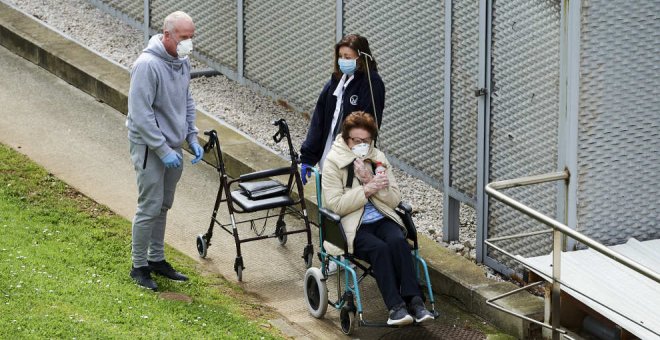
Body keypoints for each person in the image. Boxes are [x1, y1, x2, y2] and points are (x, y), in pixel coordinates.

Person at [321, 111, 434, 326]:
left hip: (382, 218)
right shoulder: (334, 162)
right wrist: (366, 190)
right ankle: (396, 308)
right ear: (347, 139)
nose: (362, 144)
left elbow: (394, 199)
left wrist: (370, 179)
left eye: (366, 140)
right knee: (379, 249)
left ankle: (416, 302)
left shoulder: (378, 158)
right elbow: (335, 205)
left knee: (398, 241)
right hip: (352, 225)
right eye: (357, 140)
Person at [125, 11, 204, 291]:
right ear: (167, 34)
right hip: (150, 147)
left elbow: (187, 100)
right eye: (184, 38)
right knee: (149, 206)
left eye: (191, 38)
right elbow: (140, 114)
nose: (188, 44)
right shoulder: (146, 65)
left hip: (173, 145)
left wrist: (192, 137)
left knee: (163, 205)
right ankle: (138, 266)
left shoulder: (182, 61)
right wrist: (162, 149)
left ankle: (156, 259)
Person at [300, 34, 385, 181]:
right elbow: (319, 121)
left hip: (352, 162)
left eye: (348, 57)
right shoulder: (335, 82)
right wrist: (308, 157)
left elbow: (368, 126)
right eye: (341, 56)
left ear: (360, 58)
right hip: (329, 155)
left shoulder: (371, 84)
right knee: (328, 200)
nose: (343, 61)